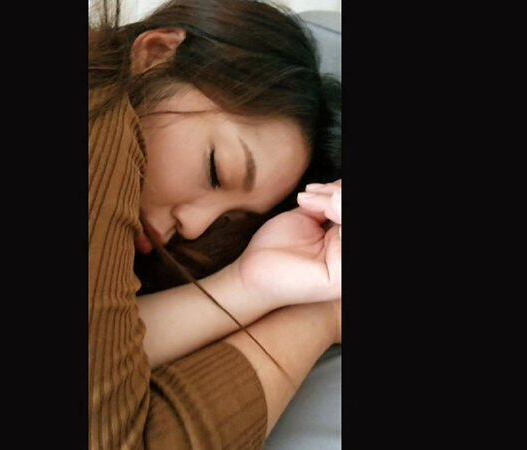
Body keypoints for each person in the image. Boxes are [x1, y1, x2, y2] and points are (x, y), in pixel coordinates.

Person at [88, 1, 343, 448]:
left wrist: (251, 285)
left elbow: (111, 348)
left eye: (231, 218)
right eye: (216, 170)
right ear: (155, 54)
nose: (195, 228)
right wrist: (322, 319)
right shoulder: (102, 111)